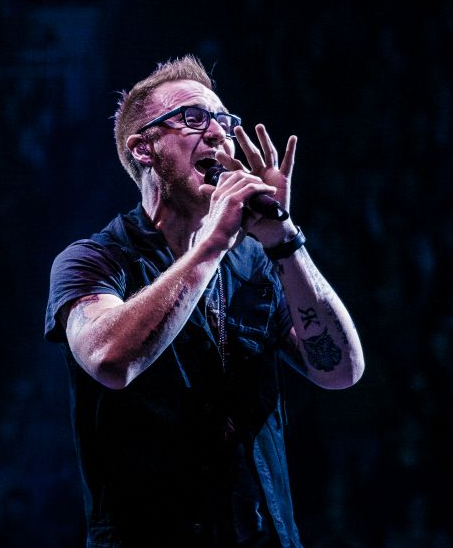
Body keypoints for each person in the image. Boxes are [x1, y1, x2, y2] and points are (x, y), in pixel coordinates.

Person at [45, 55, 365, 546]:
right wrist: (211, 244)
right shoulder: (94, 260)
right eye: (194, 119)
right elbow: (110, 359)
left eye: (224, 121)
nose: (219, 134)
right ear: (144, 148)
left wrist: (283, 239)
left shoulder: (256, 263)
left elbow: (341, 370)